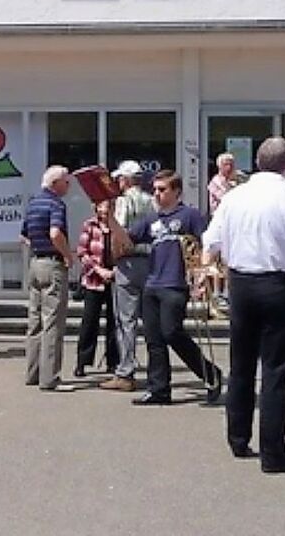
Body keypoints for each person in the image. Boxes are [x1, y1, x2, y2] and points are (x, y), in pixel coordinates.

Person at [203, 137, 285, 473]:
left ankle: (238, 438)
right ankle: (273, 454)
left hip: (241, 283)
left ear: (257, 162)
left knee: (241, 365)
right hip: (279, 286)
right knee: (274, 370)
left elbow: (210, 241)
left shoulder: (234, 197)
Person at [110, 170, 221, 406]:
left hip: (175, 283)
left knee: (172, 332)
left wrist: (202, 274)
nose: (157, 194)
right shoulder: (151, 219)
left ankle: (210, 374)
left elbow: (206, 244)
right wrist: (110, 219)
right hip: (152, 283)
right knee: (154, 339)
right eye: (155, 190)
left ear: (177, 191)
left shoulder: (190, 215)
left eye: (163, 190)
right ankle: (159, 389)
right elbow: (127, 241)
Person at [99, 160, 154, 393]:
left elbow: (119, 232)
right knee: (151, 319)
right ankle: (156, 370)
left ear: (128, 180)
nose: (118, 182)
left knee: (126, 320)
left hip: (128, 262)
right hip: (150, 261)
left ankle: (125, 371)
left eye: (121, 178)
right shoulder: (152, 201)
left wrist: (114, 254)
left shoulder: (123, 201)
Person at [21, 166, 75, 391]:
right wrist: (67, 254)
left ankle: (32, 373)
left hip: (35, 263)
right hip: (52, 263)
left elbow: (23, 234)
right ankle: (50, 377)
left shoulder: (33, 203)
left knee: (35, 321)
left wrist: (37, 245)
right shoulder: (56, 204)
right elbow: (55, 233)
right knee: (53, 321)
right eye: (66, 181)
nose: (68, 185)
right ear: (55, 184)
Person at [74, 199, 119, 377]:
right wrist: (99, 270)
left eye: (109, 206)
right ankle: (82, 362)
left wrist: (115, 271)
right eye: (102, 206)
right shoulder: (90, 225)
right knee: (89, 322)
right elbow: (82, 252)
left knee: (114, 323)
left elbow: (125, 249)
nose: (105, 209)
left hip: (114, 279)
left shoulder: (119, 225)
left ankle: (113, 362)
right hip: (94, 280)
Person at [208, 152, 246, 311]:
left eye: (231, 163)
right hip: (220, 225)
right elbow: (226, 199)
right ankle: (218, 292)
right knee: (218, 260)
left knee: (231, 259)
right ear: (219, 166)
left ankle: (228, 291)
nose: (229, 167)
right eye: (226, 164)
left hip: (235, 225)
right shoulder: (216, 182)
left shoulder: (238, 181)